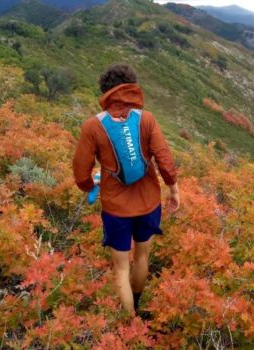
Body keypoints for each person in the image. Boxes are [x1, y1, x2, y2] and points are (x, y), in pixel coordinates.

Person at [72, 64, 180, 315]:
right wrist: (173, 189)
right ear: (131, 87)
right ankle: (138, 306)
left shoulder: (93, 126)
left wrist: (89, 185)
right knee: (141, 258)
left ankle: (130, 323)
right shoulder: (147, 119)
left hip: (116, 208)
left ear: (105, 92)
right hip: (149, 202)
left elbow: (80, 172)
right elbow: (164, 159)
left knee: (121, 268)